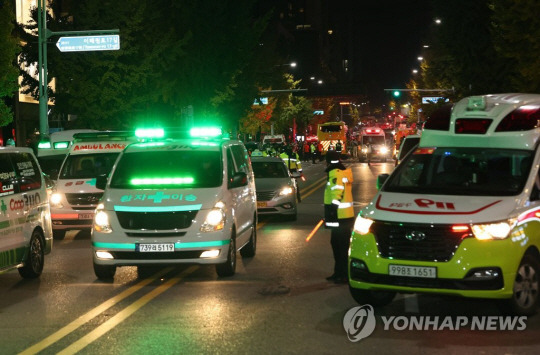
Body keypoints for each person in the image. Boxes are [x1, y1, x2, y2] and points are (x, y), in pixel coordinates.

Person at [323, 150, 354, 284]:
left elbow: (337, 192)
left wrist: (332, 210)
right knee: (338, 245)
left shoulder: (335, 173)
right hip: (345, 215)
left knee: (339, 246)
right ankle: (339, 272)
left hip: (339, 216)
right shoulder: (343, 172)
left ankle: (343, 274)